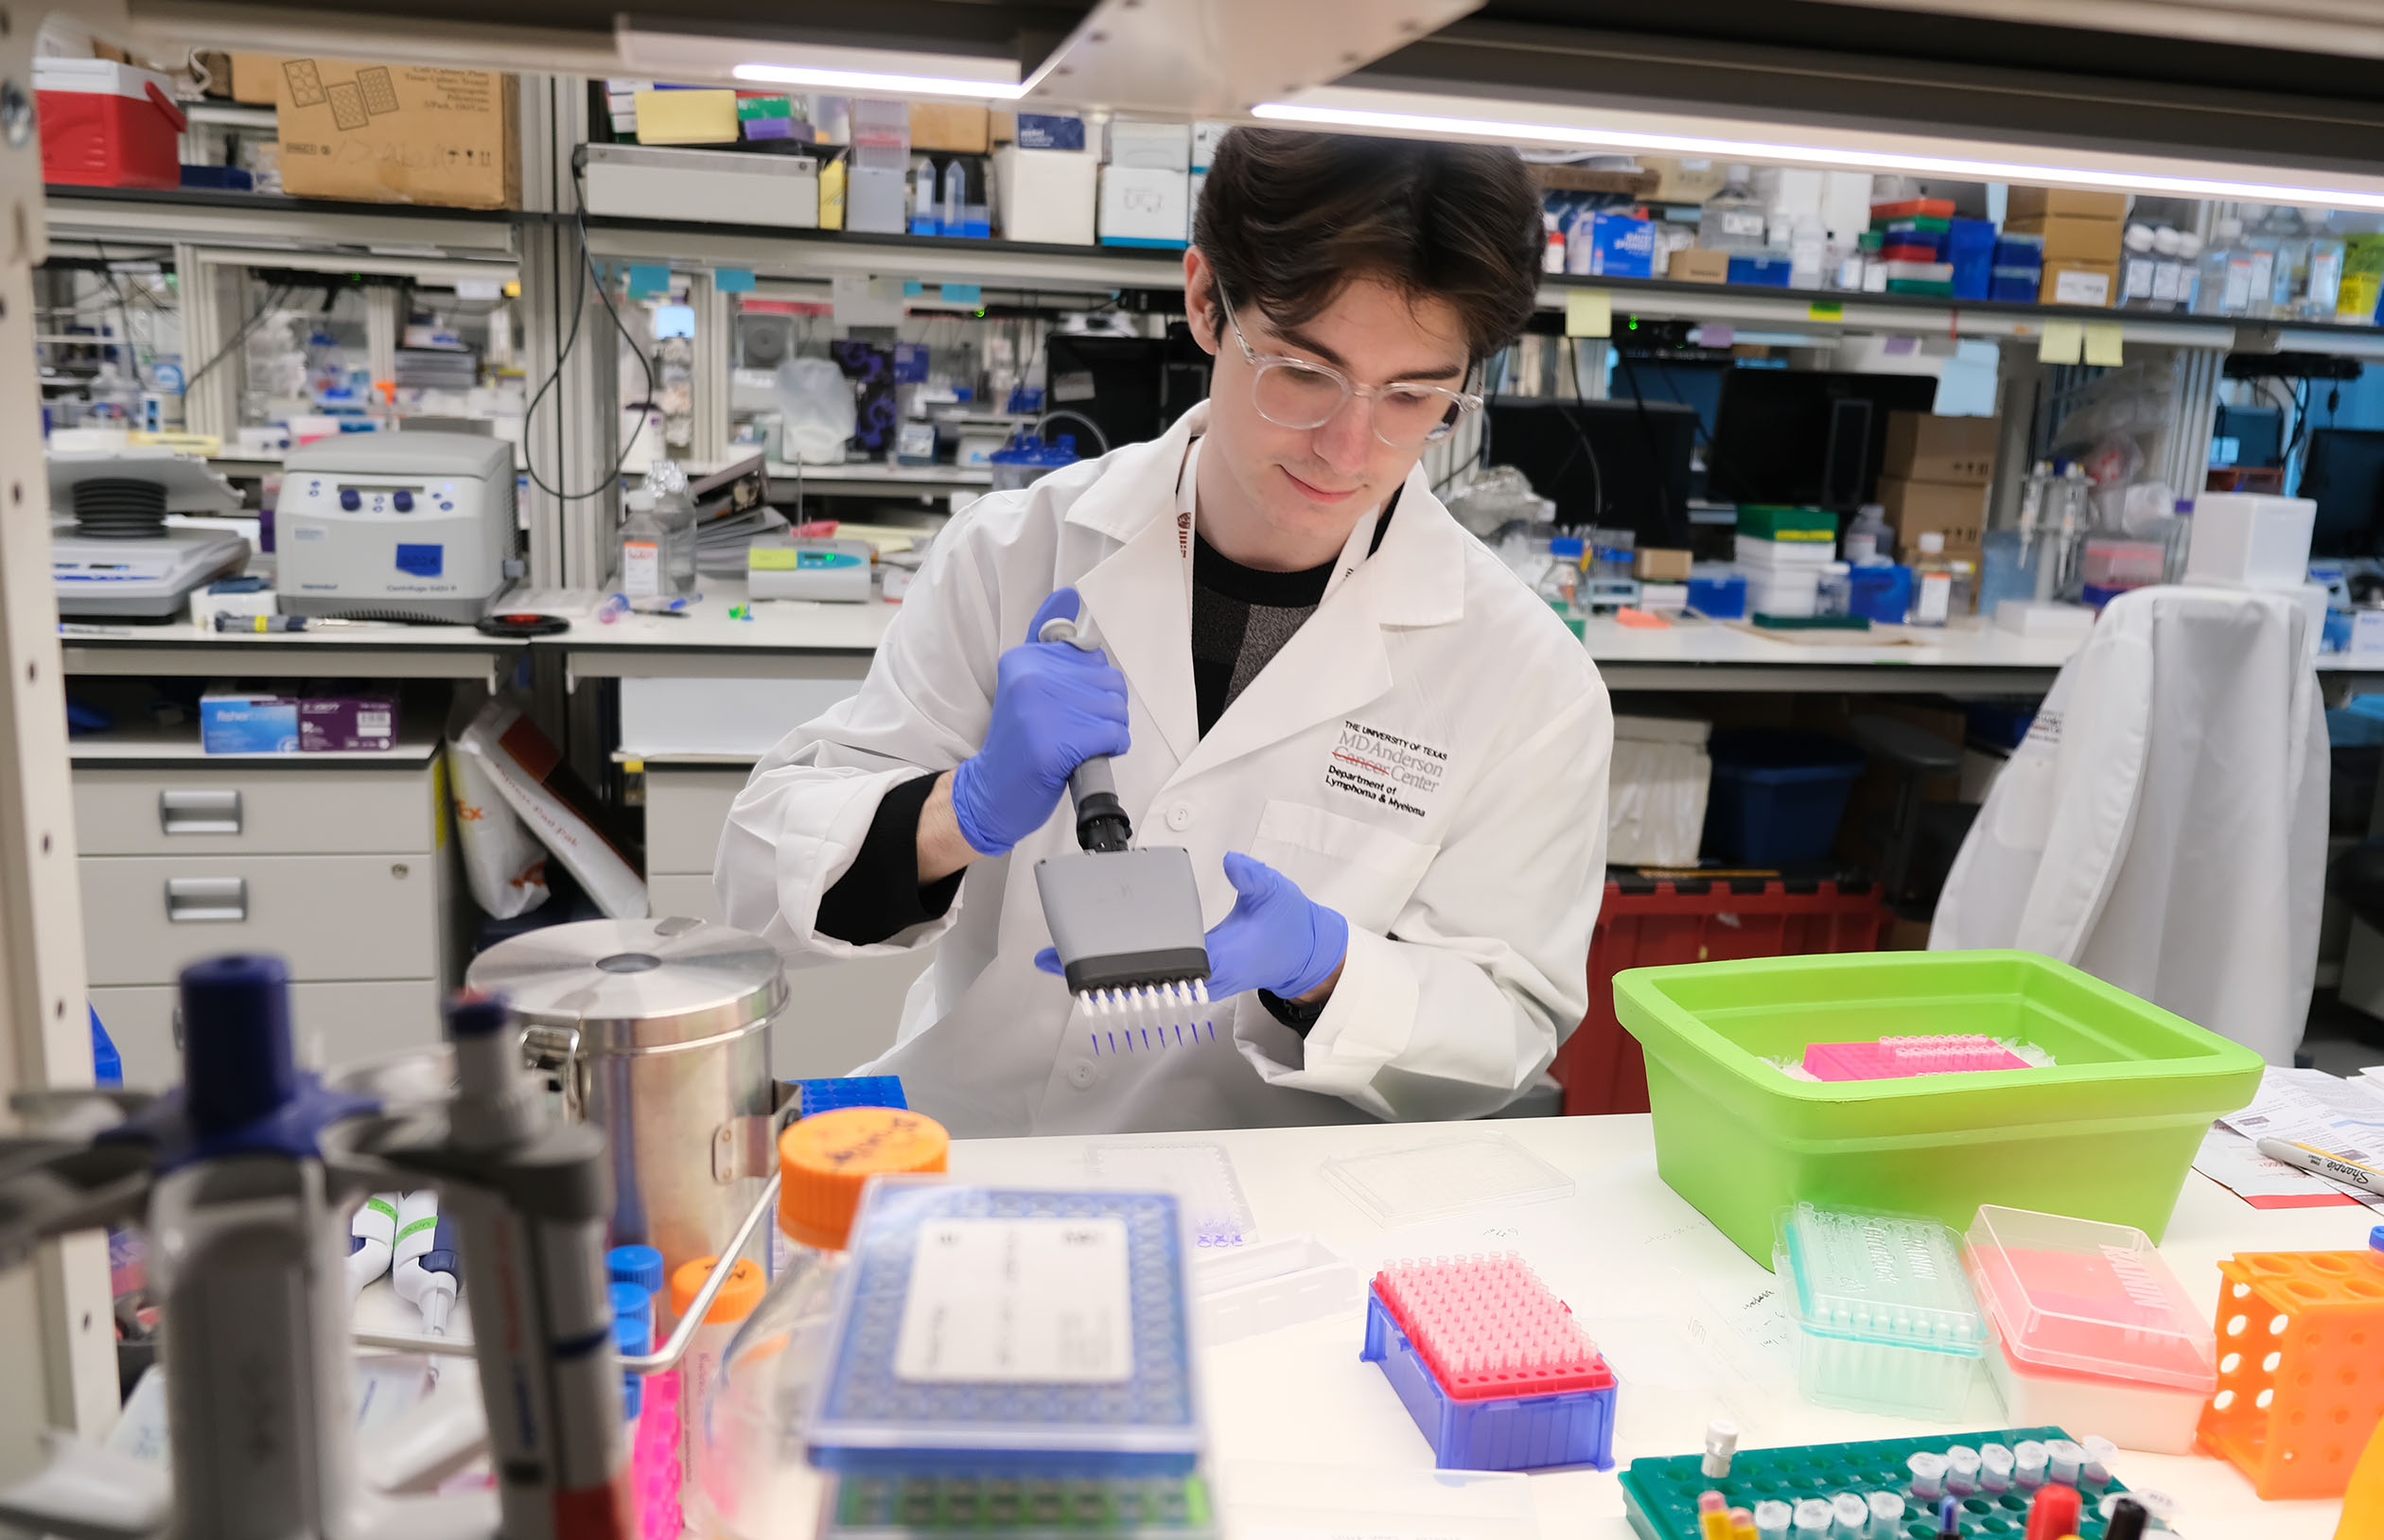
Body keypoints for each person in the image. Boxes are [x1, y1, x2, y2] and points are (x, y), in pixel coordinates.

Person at [716, 128, 1612, 1135]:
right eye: (1304, 373)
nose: (1350, 448)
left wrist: (1328, 970)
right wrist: (957, 812)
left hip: (1274, 1206)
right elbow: (754, 883)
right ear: (1203, 300)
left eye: (1415, 396)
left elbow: (1506, 1031)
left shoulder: (1528, 678)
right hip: (977, 1147)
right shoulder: (1017, 553)